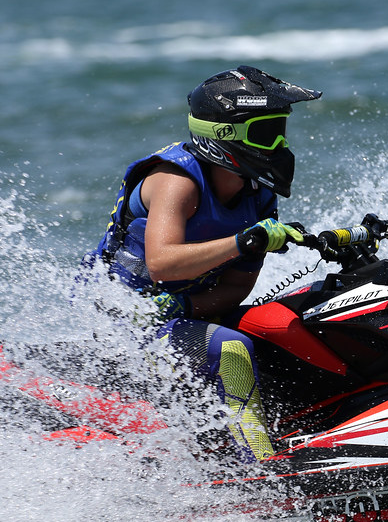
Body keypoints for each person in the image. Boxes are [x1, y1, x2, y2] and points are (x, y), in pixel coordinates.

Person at [85, 65, 321, 462]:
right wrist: (243, 241)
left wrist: (186, 307)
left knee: (290, 323)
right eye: (267, 132)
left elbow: (234, 288)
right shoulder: (177, 180)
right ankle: (259, 470)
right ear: (224, 135)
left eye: (282, 129)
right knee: (231, 349)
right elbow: (161, 263)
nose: (280, 143)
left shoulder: (258, 194)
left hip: (180, 315)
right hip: (124, 322)